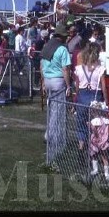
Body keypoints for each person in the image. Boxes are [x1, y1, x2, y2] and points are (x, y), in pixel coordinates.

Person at [40, 24, 72, 166]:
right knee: (57, 112)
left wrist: (42, 82)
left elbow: (41, 65)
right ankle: (51, 134)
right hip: (58, 81)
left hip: (47, 79)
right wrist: (69, 85)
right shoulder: (62, 49)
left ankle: (50, 132)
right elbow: (65, 69)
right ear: (62, 36)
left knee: (51, 108)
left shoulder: (47, 46)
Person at [72, 42, 108, 150]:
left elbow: (77, 88)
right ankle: (94, 148)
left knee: (81, 123)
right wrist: (106, 101)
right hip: (95, 97)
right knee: (96, 124)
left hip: (82, 96)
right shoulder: (100, 69)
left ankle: (81, 146)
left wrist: (75, 101)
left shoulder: (79, 69)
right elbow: (104, 87)